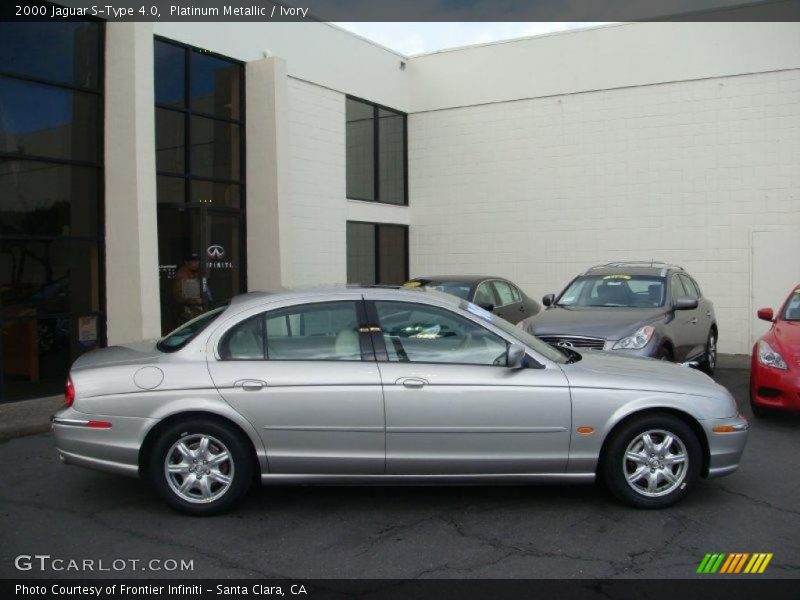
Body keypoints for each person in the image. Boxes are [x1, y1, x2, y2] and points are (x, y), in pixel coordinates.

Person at [172, 253, 204, 326]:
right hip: (186, 310)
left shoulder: (196, 272)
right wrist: (195, 300)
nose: (197, 263)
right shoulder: (183, 274)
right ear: (186, 263)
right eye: (193, 261)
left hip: (193, 309)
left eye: (197, 261)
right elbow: (180, 296)